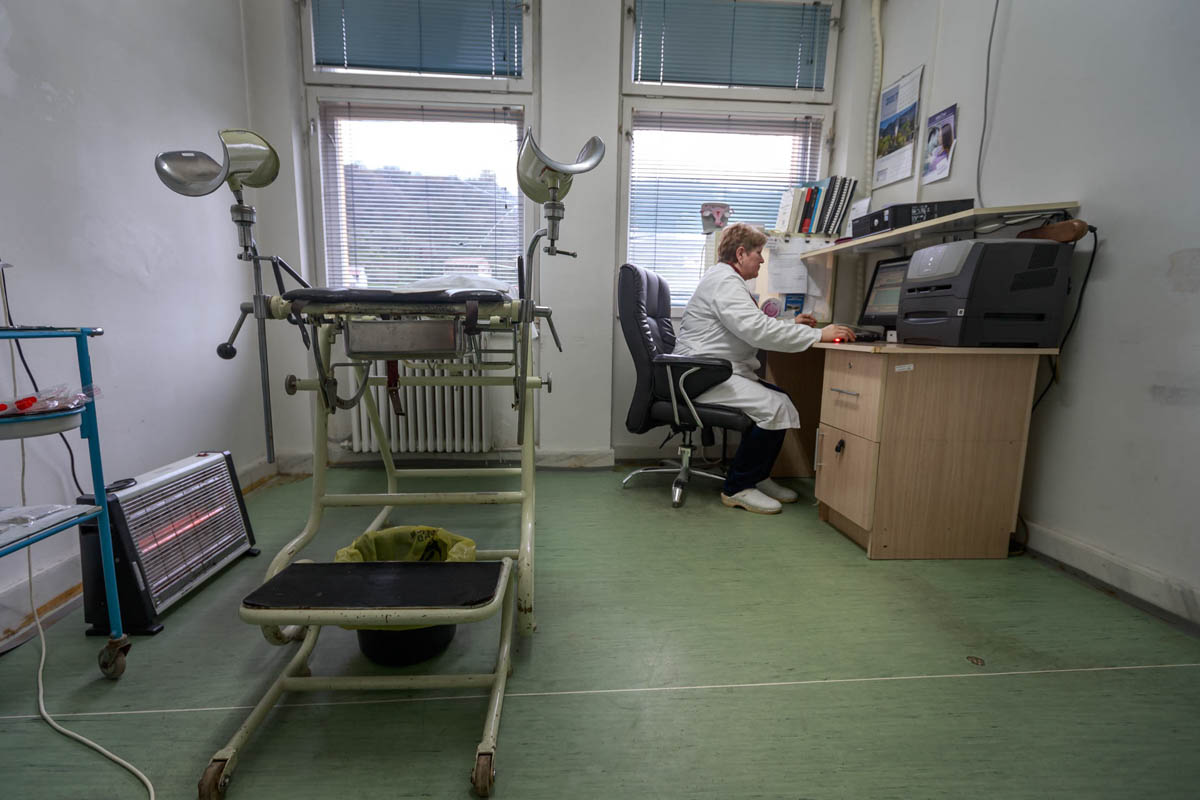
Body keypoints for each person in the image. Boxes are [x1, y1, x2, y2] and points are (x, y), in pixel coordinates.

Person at [673, 222, 856, 515]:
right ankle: (738, 487)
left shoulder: (726, 280)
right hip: (703, 375)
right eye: (758, 252)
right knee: (774, 406)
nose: (761, 259)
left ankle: (756, 477)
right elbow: (757, 331)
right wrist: (817, 334)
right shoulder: (725, 282)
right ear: (741, 253)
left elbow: (752, 327)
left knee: (779, 400)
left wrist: (792, 325)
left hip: (711, 370)